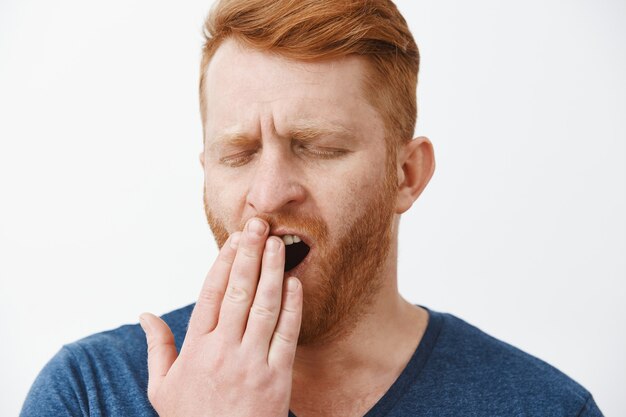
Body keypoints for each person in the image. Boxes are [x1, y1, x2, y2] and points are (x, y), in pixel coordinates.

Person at [21, 0, 604, 416]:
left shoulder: (546, 406)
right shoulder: (88, 395)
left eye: (317, 147)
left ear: (407, 174)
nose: (269, 193)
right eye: (239, 153)